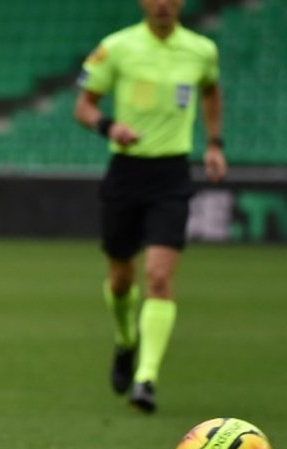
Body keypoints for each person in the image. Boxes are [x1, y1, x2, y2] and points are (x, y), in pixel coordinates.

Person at [74, 0, 226, 413]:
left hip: (172, 175)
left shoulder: (201, 50)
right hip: (126, 172)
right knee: (122, 279)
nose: (163, 3)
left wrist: (214, 142)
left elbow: (211, 90)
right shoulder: (117, 47)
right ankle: (126, 340)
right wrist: (109, 126)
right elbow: (83, 106)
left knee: (159, 277)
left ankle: (146, 378)